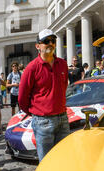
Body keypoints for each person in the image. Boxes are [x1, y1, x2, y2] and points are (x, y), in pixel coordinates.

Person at [18, 29, 70, 162]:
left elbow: (63, 87)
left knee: (64, 158)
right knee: (47, 162)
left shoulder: (63, 64)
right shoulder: (31, 68)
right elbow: (22, 98)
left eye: (53, 40)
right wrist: (36, 112)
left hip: (62, 118)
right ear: (38, 46)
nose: (51, 44)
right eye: (46, 41)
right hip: (42, 121)